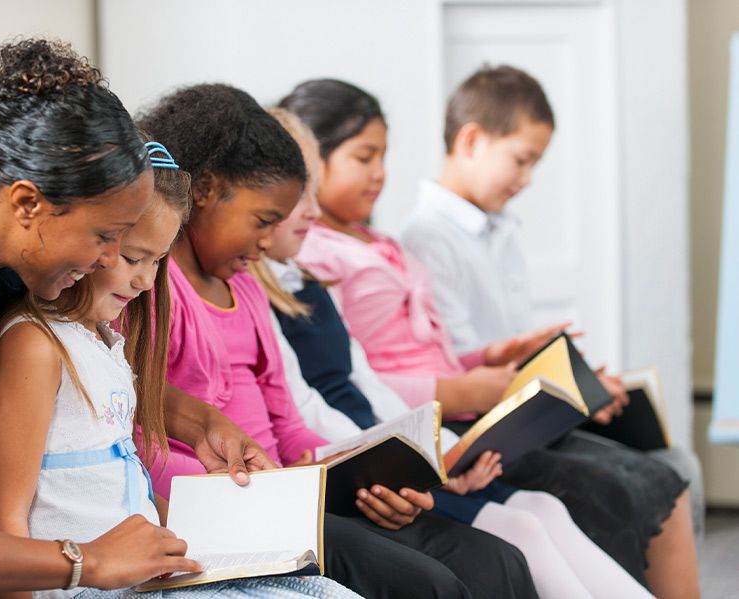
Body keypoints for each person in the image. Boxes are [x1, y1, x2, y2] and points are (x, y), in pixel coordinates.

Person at [0, 39, 270, 598]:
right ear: (26, 203)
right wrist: (86, 562)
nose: (109, 263)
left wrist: (192, 418)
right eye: (105, 237)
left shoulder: (2, 242)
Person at [282, 78, 699, 598]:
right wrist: (474, 392)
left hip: (437, 421)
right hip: (425, 422)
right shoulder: (314, 260)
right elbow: (349, 384)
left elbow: (381, 365)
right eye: (364, 158)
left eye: (383, 157)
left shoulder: (381, 243)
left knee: (604, 491)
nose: (380, 175)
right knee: (577, 502)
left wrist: (490, 360)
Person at [133, 82, 538, 599]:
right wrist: (274, 489)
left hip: (289, 491)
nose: (265, 244)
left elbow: (290, 422)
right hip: (239, 506)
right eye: (262, 222)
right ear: (207, 190)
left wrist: (358, 476)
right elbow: (145, 434)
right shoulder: (152, 289)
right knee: (428, 584)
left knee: (494, 559)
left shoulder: (247, 291)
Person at [0, 142, 359, 599]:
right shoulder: (34, 346)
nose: (145, 281)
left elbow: (117, 490)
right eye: (132, 258)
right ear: (96, 237)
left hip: (142, 579)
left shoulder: (104, 343)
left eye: (157, 261)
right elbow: (3, 522)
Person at [398, 63, 705, 540]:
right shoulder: (427, 240)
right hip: (486, 420)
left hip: (521, 403)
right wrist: (572, 390)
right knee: (644, 484)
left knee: (675, 462)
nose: (528, 178)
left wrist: (579, 383)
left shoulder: (500, 228)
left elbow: (512, 341)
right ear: (472, 141)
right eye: (521, 160)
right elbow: (461, 365)